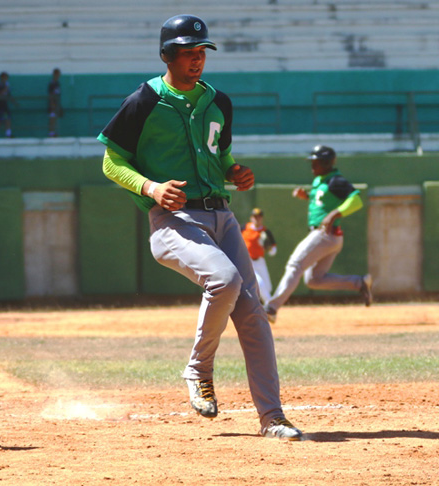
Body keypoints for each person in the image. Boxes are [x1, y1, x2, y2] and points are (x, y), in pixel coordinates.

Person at [97, 14, 303, 440]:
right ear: (167, 55)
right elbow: (111, 161)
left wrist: (235, 172)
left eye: (201, 52)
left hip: (222, 216)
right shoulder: (144, 101)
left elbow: (220, 156)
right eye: (188, 53)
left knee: (254, 316)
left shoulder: (217, 101)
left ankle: (273, 417)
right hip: (173, 220)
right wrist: (151, 187)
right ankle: (198, 369)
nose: (197, 60)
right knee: (224, 281)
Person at [264, 145, 373, 323]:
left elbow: (356, 200)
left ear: (327, 163)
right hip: (331, 237)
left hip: (324, 234)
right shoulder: (320, 180)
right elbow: (323, 200)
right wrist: (306, 196)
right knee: (314, 280)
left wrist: (335, 214)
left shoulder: (335, 180)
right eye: (312, 162)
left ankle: (271, 308)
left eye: (316, 162)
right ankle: (360, 283)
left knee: (295, 264)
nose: (313, 166)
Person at [241, 208, 277, 304]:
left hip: (260, 262)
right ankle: (270, 307)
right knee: (259, 283)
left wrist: (268, 247)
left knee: (268, 287)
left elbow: (273, 251)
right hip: (248, 262)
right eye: (255, 216)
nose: (257, 219)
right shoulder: (244, 228)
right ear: (251, 218)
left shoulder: (265, 232)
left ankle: (262, 307)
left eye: (259, 217)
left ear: (262, 218)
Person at [47, 67, 62, 137]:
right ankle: (51, 132)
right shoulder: (52, 83)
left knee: (55, 118)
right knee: (52, 117)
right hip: (53, 103)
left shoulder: (57, 83)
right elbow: (50, 94)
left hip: (56, 103)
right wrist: (52, 103)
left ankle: (54, 131)